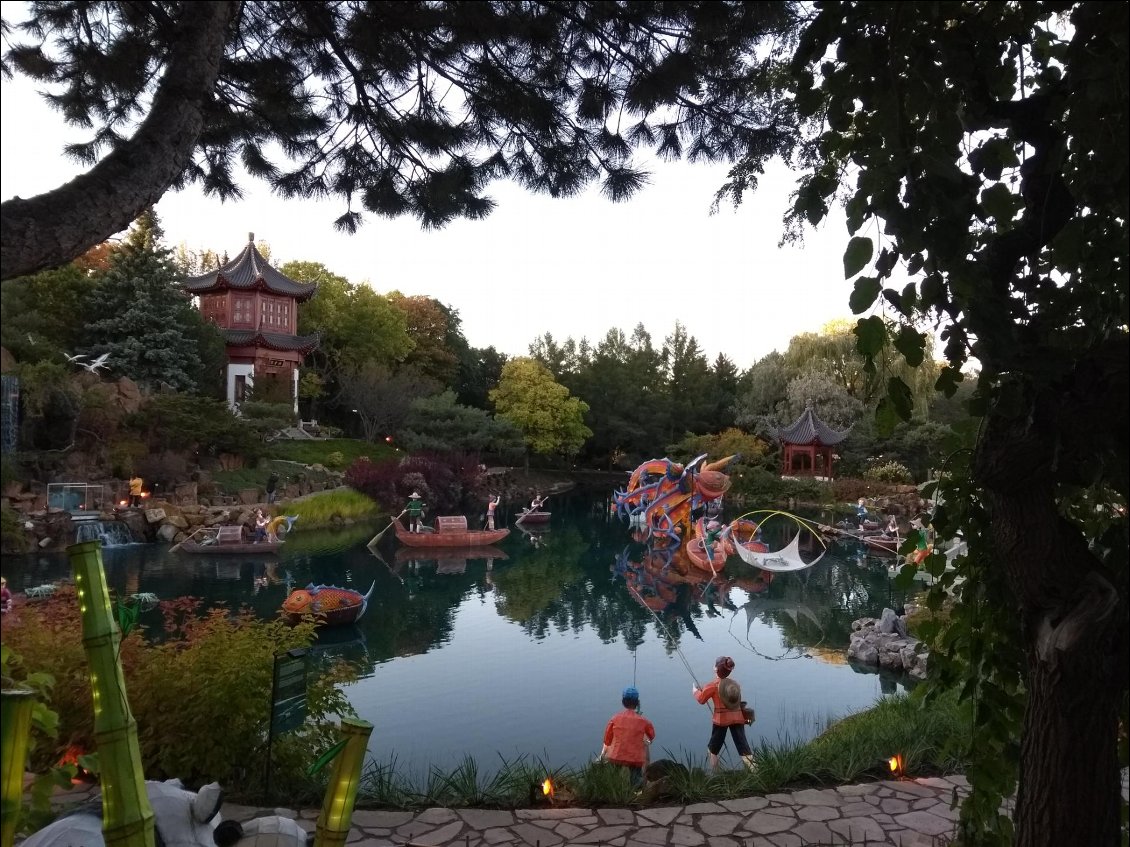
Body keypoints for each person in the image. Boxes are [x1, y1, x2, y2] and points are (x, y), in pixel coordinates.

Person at [692, 656, 756, 771]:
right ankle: (755, 770)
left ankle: (717, 774)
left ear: (716, 669)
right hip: (737, 718)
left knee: (713, 750)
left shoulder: (712, 685)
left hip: (721, 720)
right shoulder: (735, 684)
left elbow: (701, 699)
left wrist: (695, 691)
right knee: (743, 747)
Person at [598, 686, 655, 788]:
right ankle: (636, 793)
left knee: (613, 775)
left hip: (616, 755)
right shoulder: (643, 721)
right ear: (637, 702)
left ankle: (613, 790)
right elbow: (651, 735)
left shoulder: (615, 718)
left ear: (623, 701)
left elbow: (607, 739)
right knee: (636, 776)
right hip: (635, 758)